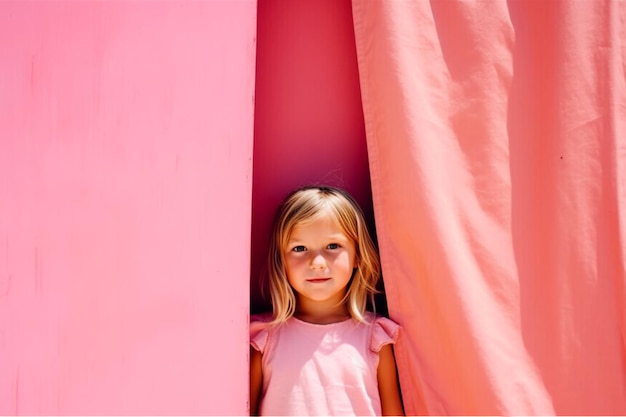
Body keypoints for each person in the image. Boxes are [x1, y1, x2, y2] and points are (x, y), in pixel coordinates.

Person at [250, 185, 404, 416]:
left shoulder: (375, 337)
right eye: (299, 248)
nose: (317, 262)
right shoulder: (265, 337)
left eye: (333, 246)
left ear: (357, 256)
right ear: (281, 260)